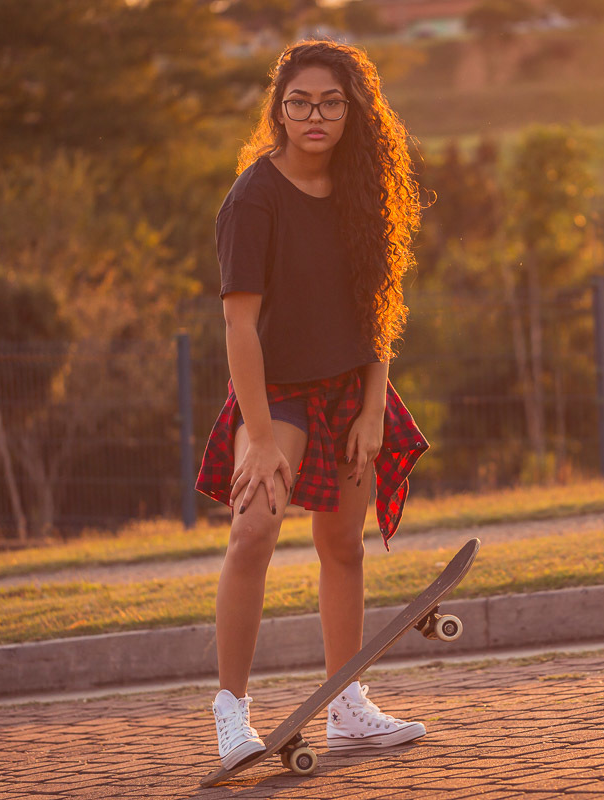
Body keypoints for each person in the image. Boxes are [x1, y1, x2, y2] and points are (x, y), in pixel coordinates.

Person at [194, 38, 431, 770]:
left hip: (350, 385)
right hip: (278, 394)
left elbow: (377, 311)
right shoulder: (254, 197)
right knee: (253, 531)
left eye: (331, 102)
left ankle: (347, 705)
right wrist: (259, 436)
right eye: (299, 103)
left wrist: (370, 408)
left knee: (341, 547)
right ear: (280, 111)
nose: (314, 116)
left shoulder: (367, 190)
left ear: (354, 111)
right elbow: (238, 323)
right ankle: (231, 709)